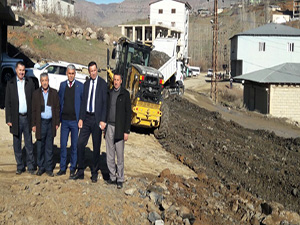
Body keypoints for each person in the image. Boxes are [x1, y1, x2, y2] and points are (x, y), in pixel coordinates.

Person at [72, 61, 107, 183]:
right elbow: (83, 103)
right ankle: (80, 170)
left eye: (94, 70)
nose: (93, 73)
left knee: (96, 147)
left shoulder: (103, 84)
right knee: (80, 143)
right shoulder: (86, 84)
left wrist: (103, 120)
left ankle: (94, 172)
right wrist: (81, 118)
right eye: (91, 71)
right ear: (89, 71)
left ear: (97, 70)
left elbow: (104, 104)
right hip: (87, 118)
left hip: (97, 120)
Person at [5, 61, 36, 175]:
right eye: (20, 70)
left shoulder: (30, 82)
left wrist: (34, 120)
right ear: (16, 70)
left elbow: (33, 101)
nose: (22, 72)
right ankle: (20, 165)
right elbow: (7, 103)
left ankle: (31, 166)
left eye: (23, 70)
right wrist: (8, 119)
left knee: (29, 143)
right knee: (17, 144)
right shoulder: (11, 83)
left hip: (27, 118)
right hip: (16, 119)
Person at [57, 64, 83, 178]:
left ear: (75, 74)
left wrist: (81, 118)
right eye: (69, 73)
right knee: (63, 145)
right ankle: (62, 168)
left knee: (74, 146)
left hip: (74, 122)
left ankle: (72, 168)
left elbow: (82, 105)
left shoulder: (80, 86)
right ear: (66, 73)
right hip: (65, 121)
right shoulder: (62, 86)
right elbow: (59, 102)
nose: (71, 75)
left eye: (73, 73)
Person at [105, 74, 131, 189]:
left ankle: (120, 178)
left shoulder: (125, 94)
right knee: (109, 154)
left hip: (120, 128)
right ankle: (112, 177)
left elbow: (128, 114)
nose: (115, 82)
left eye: (117, 80)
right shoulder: (109, 93)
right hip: (109, 126)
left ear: (121, 81)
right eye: (114, 80)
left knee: (119, 155)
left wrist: (126, 131)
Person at [32, 73, 60, 177]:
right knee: (40, 146)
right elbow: (33, 110)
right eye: (43, 80)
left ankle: (49, 168)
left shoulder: (54, 93)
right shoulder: (36, 94)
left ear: (48, 81)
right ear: (40, 82)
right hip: (41, 123)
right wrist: (33, 124)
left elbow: (57, 108)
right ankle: (41, 167)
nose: (44, 82)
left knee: (49, 147)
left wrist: (57, 122)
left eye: (46, 80)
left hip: (51, 123)